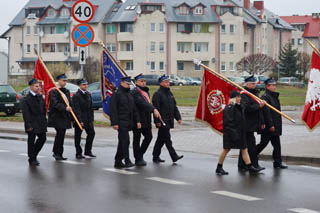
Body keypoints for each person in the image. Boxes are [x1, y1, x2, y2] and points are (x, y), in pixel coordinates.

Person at [216, 90, 263, 175]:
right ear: (234, 98)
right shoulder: (229, 108)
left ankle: (250, 167)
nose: (240, 98)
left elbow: (247, 108)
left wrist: (259, 104)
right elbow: (228, 123)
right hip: (231, 133)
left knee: (244, 149)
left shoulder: (239, 107)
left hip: (240, 133)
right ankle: (219, 167)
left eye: (240, 97)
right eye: (238, 97)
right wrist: (234, 134)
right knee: (226, 150)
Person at [110, 76, 141, 169]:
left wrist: (138, 120)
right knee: (125, 141)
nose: (128, 86)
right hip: (120, 121)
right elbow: (113, 110)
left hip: (129, 121)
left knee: (122, 142)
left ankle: (118, 161)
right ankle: (127, 160)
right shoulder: (117, 94)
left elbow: (134, 109)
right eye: (127, 84)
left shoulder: (129, 94)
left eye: (129, 84)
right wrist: (114, 123)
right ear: (122, 83)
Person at [257, 78, 288, 169]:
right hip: (269, 126)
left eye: (275, 85)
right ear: (267, 86)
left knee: (277, 145)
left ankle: (277, 162)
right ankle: (251, 155)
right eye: (272, 85)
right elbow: (266, 113)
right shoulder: (265, 97)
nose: (274, 87)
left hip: (275, 125)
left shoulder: (274, 96)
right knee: (263, 143)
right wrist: (270, 125)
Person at [152, 75, 183, 164]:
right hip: (162, 121)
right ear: (161, 83)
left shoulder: (170, 93)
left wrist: (178, 118)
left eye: (168, 82)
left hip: (169, 120)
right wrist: (157, 121)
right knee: (167, 139)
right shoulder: (157, 94)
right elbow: (155, 109)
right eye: (166, 82)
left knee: (161, 139)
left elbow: (174, 107)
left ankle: (155, 156)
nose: (168, 83)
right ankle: (174, 156)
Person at [238, 75, 266, 171]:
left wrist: (262, 121)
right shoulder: (244, 94)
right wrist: (259, 106)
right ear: (247, 84)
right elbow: (246, 109)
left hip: (253, 124)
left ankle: (242, 165)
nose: (254, 85)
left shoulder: (255, 94)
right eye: (252, 83)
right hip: (246, 124)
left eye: (255, 83)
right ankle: (254, 165)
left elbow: (259, 110)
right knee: (250, 146)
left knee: (245, 146)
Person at [131, 74, 161, 166]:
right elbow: (141, 103)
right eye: (141, 81)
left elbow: (146, 103)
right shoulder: (135, 92)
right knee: (137, 138)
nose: (144, 83)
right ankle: (138, 158)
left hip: (146, 118)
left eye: (144, 81)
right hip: (137, 119)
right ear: (136, 82)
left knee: (149, 137)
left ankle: (140, 155)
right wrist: (153, 109)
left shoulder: (146, 92)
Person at [21, 79, 47, 166]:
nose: (38, 88)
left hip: (40, 122)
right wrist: (28, 124)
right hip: (31, 123)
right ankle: (31, 159)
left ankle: (34, 155)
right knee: (31, 141)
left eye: (39, 86)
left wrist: (44, 120)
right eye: (36, 86)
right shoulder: (26, 99)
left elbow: (43, 110)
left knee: (43, 138)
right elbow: (26, 113)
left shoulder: (40, 97)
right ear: (31, 87)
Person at [48, 74, 72, 161]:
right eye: (63, 80)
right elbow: (55, 104)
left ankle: (59, 153)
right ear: (58, 81)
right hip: (57, 116)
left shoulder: (67, 91)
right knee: (60, 134)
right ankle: (56, 153)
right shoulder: (54, 91)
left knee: (62, 135)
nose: (65, 82)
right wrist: (65, 108)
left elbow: (69, 102)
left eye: (66, 81)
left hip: (65, 116)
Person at [72, 79, 96, 159]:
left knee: (92, 133)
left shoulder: (88, 94)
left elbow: (91, 108)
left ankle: (88, 151)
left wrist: (92, 119)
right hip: (80, 119)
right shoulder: (76, 96)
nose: (86, 86)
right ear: (79, 86)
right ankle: (78, 153)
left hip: (88, 119)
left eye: (86, 84)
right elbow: (76, 109)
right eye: (83, 85)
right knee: (78, 136)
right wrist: (79, 120)